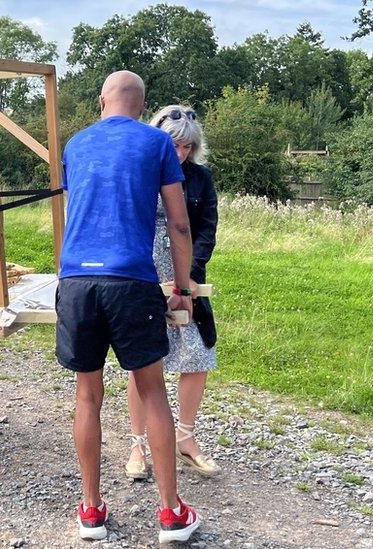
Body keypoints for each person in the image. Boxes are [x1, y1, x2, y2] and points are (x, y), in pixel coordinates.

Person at [56, 71, 201, 544]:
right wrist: (182, 287)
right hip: (131, 279)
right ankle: (170, 514)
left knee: (86, 395)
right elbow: (179, 226)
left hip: (77, 279)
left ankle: (92, 512)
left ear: (102, 101)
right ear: (142, 105)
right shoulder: (157, 143)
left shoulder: (75, 144)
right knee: (152, 391)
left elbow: (79, 208)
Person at [125, 105, 221, 480]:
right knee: (142, 363)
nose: (179, 153)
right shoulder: (138, 174)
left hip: (186, 276)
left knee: (197, 356)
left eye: (186, 147)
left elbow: (205, 230)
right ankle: (138, 444)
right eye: (173, 144)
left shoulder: (200, 178)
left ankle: (185, 437)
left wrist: (190, 277)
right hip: (144, 273)